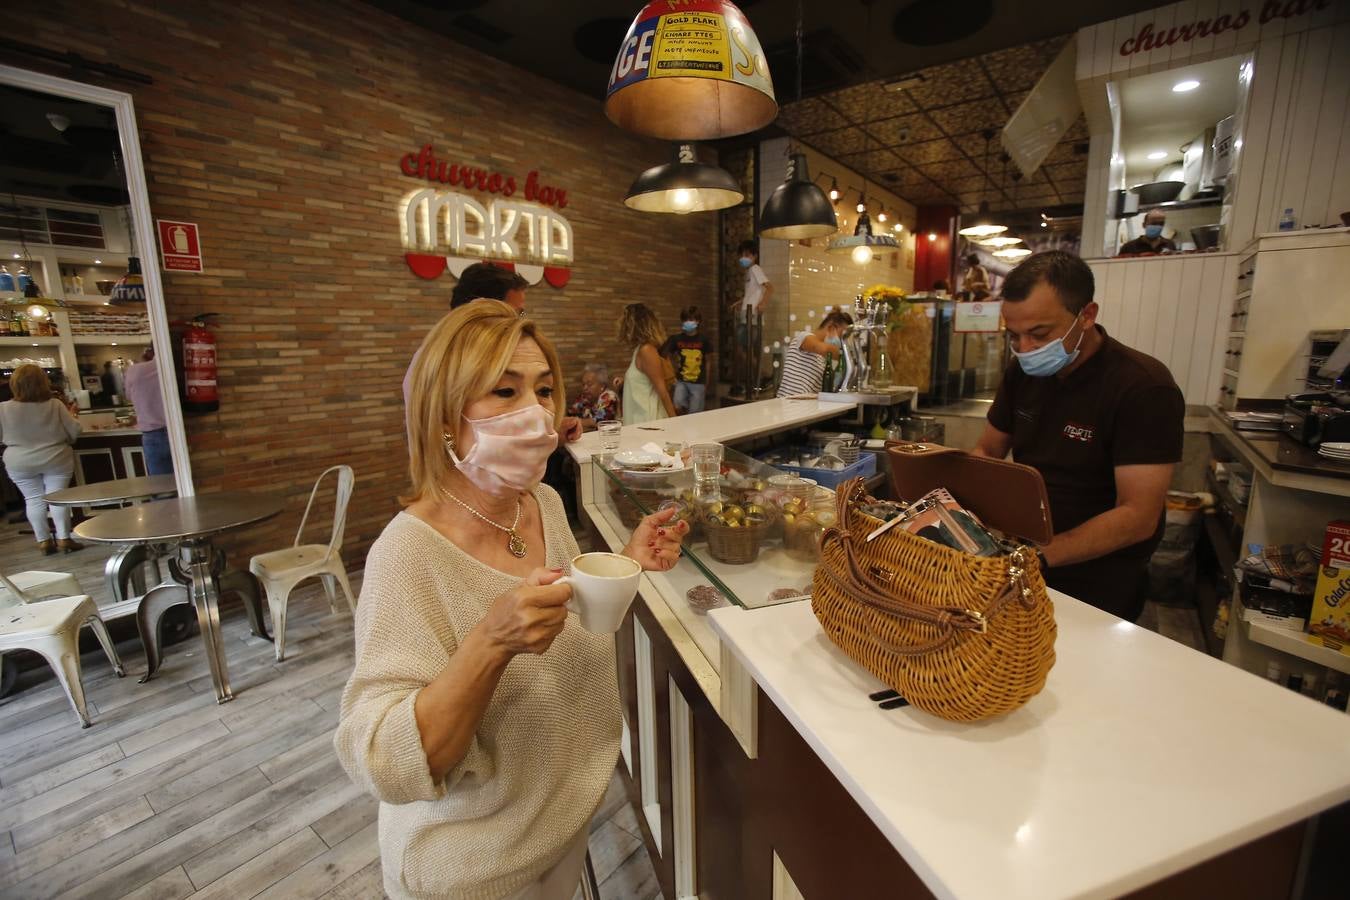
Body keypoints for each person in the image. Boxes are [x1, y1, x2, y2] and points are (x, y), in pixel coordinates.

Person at [335, 301, 687, 899]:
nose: (535, 414)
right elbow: (381, 761)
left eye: (545, 390)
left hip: (558, 827)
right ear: (445, 416)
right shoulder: (407, 554)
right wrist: (490, 642)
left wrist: (622, 563)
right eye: (504, 392)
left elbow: (564, 620)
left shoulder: (541, 503)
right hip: (474, 869)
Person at [971, 251, 1184, 622]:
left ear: (1086, 316)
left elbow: (1138, 515)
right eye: (1014, 336)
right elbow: (988, 450)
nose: (1025, 349)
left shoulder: (1143, 387)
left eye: (1039, 334)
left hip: (1101, 577)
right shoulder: (1021, 373)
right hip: (1025, 558)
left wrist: (1041, 554)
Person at [403, 263, 582, 446]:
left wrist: (549, 430)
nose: (519, 324)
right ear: (480, 310)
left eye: (544, 391)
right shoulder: (440, 363)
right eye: (505, 391)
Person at [0, 364, 83, 554]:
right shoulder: (55, 405)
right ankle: (64, 539)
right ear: (43, 382)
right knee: (57, 498)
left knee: (33, 500)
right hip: (55, 457)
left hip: (19, 460)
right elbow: (74, 431)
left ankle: (44, 542)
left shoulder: (2, 409)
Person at [618, 303, 677, 424]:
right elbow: (643, 382)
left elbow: (663, 391)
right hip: (639, 421)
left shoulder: (647, 350)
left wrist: (675, 422)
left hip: (649, 423)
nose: (620, 324)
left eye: (624, 320)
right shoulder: (639, 349)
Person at [777, 310, 854, 398]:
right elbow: (823, 349)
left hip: (805, 406)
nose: (842, 341)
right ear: (831, 327)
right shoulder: (804, 337)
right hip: (787, 401)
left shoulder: (823, 359)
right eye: (841, 336)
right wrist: (848, 356)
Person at [122, 346, 173, 476]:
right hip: (178, 432)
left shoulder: (134, 370)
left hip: (153, 435)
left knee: (161, 487)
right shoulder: (172, 367)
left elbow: (129, 397)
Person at [732, 239, 772, 396]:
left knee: (743, 350)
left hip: (752, 317)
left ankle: (763, 376)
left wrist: (762, 305)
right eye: (741, 255)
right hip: (745, 314)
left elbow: (769, 288)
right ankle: (759, 378)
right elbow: (754, 293)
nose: (743, 257)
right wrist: (740, 302)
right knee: (742, 350)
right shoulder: (749, 272)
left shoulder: (755, 269)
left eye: (747, 254)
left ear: (754, 256)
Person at [661, 306, 711, 414]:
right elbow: (665, 355)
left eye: (691, 319)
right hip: (681, 380)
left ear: (698, 321)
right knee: (677, 404)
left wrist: (706, 381)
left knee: (695, 412)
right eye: (685, 320)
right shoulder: (677, 339)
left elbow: (708, 361)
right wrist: (673, 369)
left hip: (698, 382)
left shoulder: (704, 340)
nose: (688, 322)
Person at [565, 363, 619, 429]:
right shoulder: (584, 397)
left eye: (589, 384)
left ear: (602, 385)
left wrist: (574, 422)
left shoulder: (609, 396)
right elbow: (570, 414)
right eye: (583, 384)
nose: (585, 388)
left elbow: (598, 421)